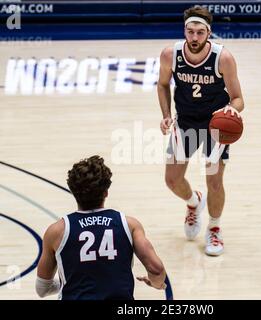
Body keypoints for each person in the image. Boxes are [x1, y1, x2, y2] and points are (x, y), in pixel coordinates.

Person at [157, 6, 244, 256]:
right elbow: (162, 85)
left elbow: (238, 99)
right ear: (184, 30)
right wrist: (165, 115)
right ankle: (194, 202)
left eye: (200, 32)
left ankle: (214, 228)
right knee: (172, 180)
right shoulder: (170, 54)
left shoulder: (223, 58)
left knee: (214, 182)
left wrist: (228, 113)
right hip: (184, 122)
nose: (194, 38)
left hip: (215, 127)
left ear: (209, 32)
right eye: (190, 31)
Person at [36, 155, 166, 300]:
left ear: (73, 192)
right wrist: (157, 284)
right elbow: (156, 270)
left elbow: (42, 289)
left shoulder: (56, 231)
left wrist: (71, 282)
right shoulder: (129, 225)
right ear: (106, 192)